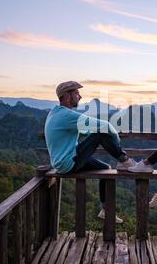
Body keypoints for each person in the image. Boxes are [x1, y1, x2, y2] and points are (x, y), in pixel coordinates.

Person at [44, 81, 137, 223]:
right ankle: (125, 161)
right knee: (100, 134)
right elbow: (105, 125)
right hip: (67, 162)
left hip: (64, 159)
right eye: (76, 93)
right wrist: (116, 140)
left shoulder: (56, 112)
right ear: (67, 96)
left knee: (106, 169)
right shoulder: (66, 115)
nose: (80, 97)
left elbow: (85, 128)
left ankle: (105, 210)